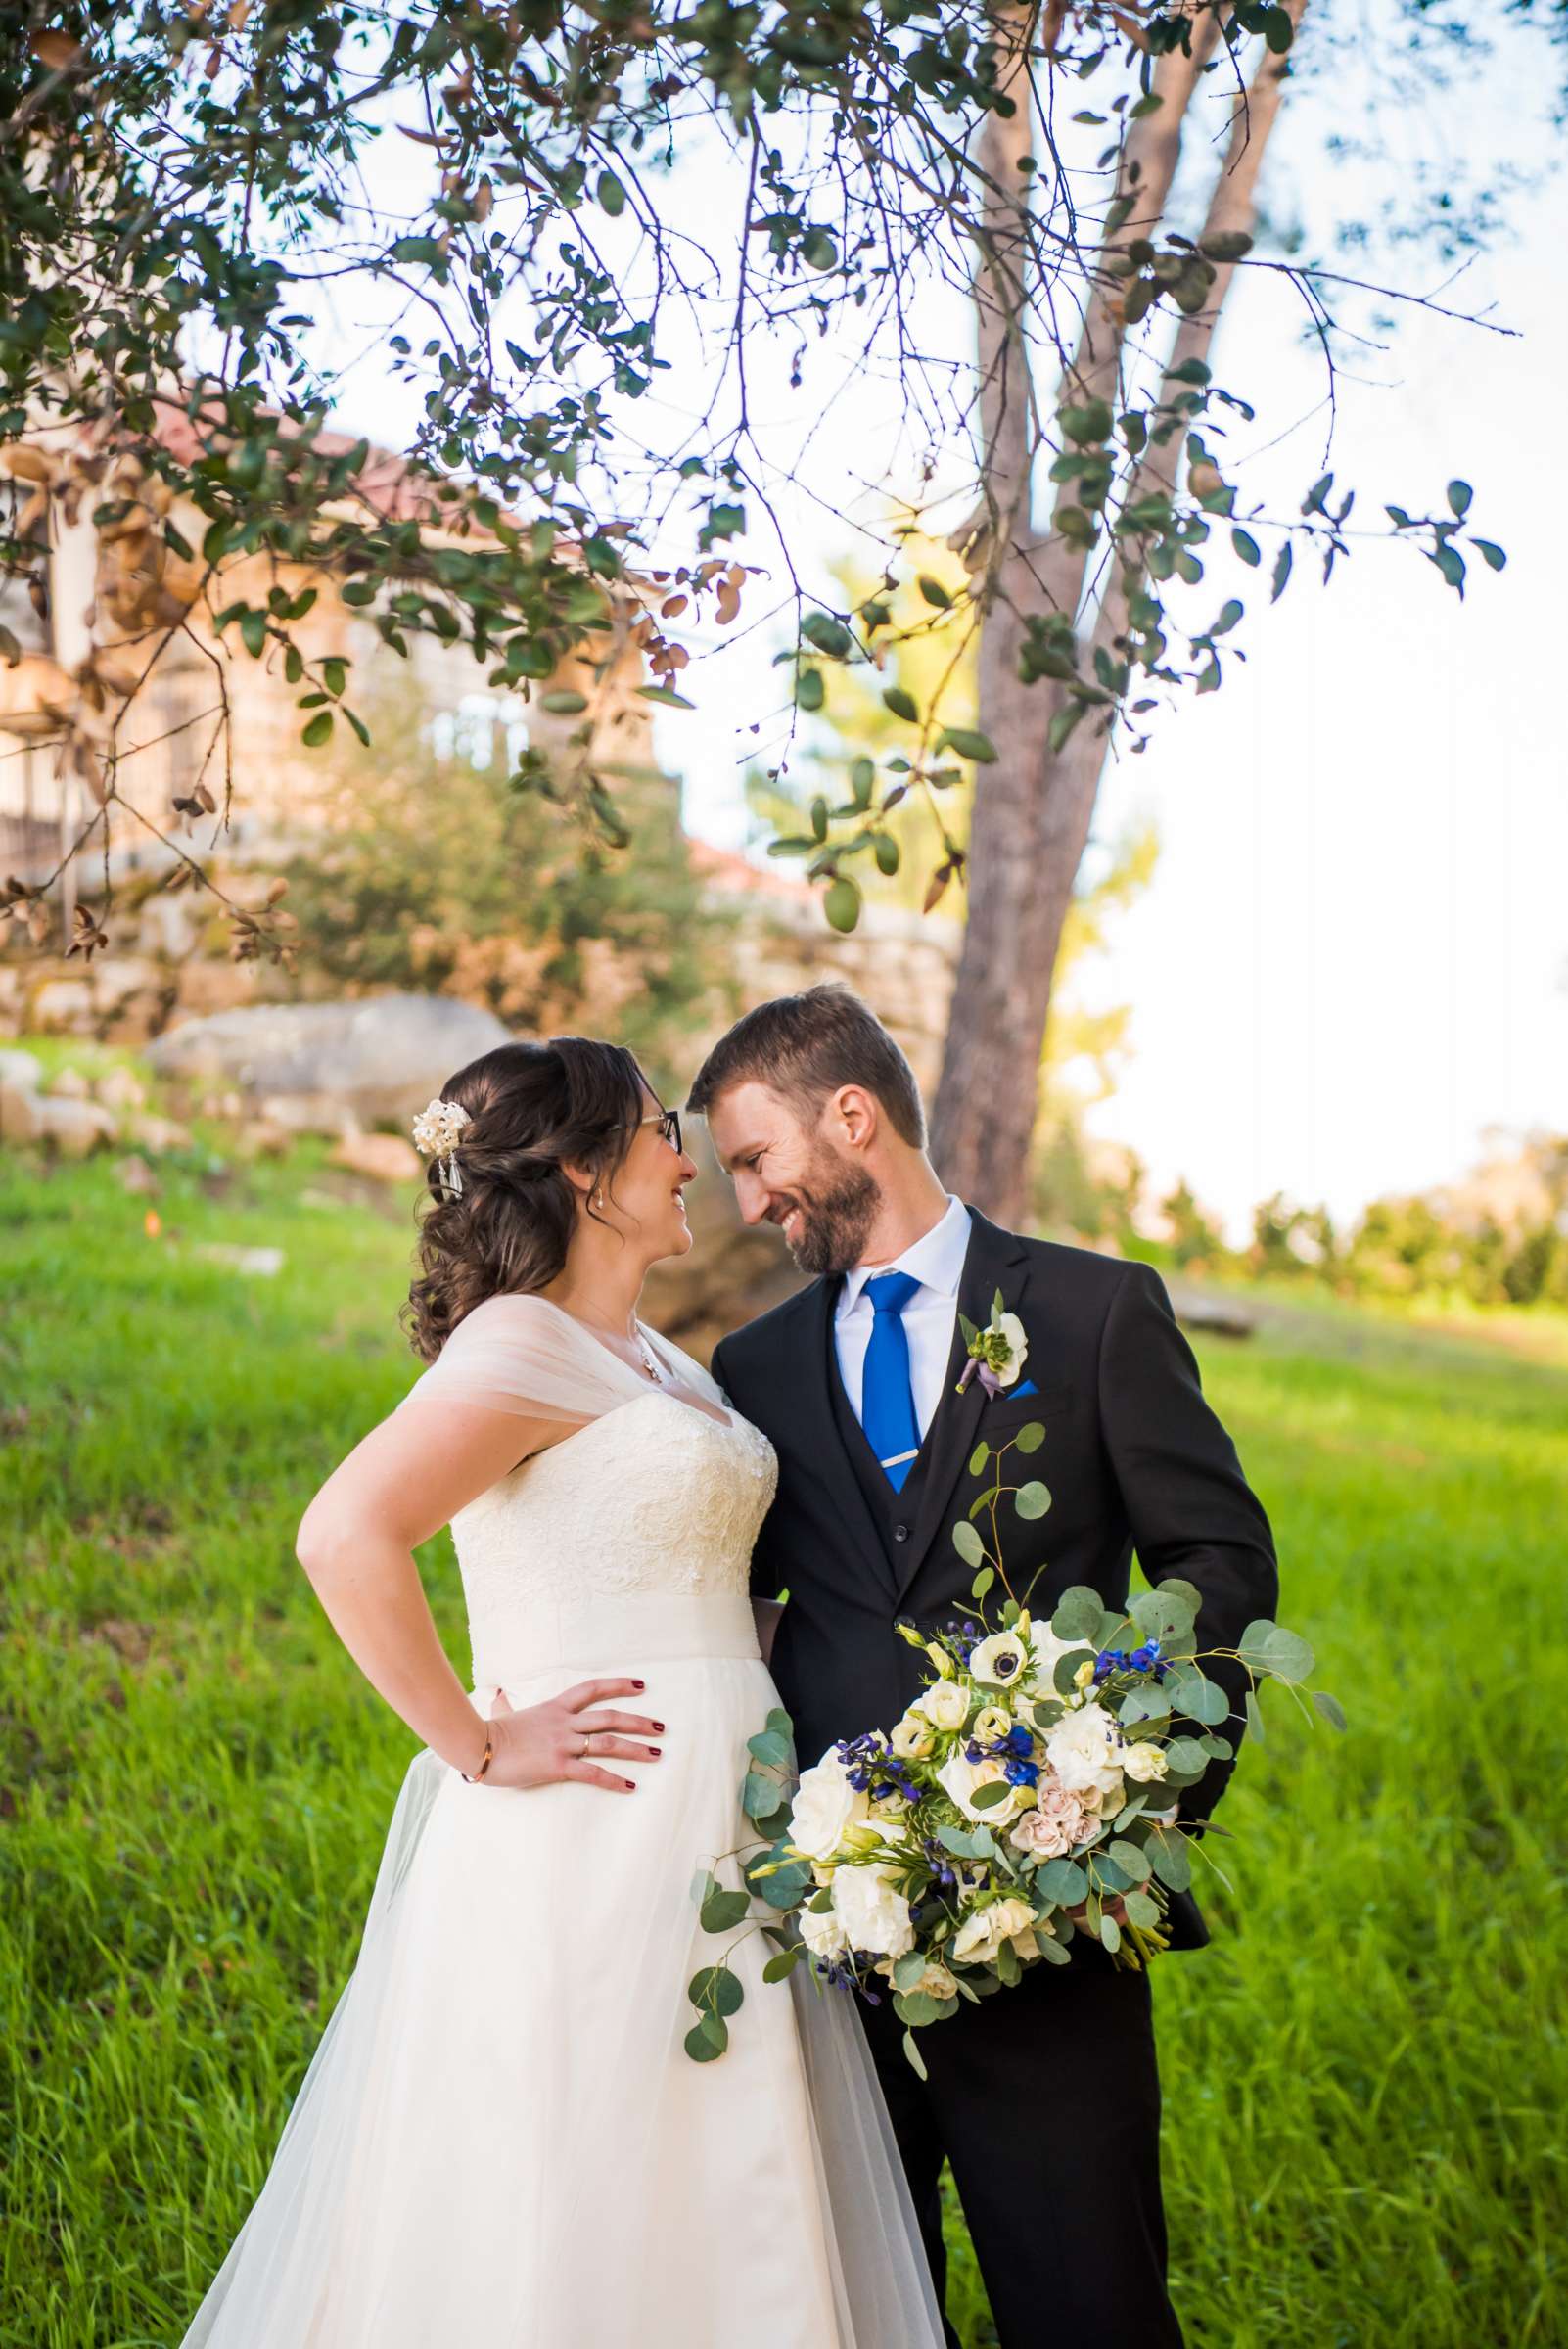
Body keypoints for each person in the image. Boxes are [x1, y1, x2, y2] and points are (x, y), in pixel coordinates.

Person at [179, 1035, 943, 2349]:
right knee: (590, 2140)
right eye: (656, 1129)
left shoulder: (653, 1354)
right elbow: (344, 1535)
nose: (682, 1155)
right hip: (602, 1809)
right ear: (585, 1172)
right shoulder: (522, 1339)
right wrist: (475, 1743)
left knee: (718, 2146)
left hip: (728, 1804)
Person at [693, 985, 1279, 2349]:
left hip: (1052, 1928)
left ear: (852, 1118)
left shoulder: (1091, 1311)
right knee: (862, 2310)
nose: (748, 1206)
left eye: (755, 1160)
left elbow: (1219, 1567)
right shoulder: (757, 1366)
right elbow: (748, 1608)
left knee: (1087, 2302)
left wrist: (1119, 1810)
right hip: (834, 1941)